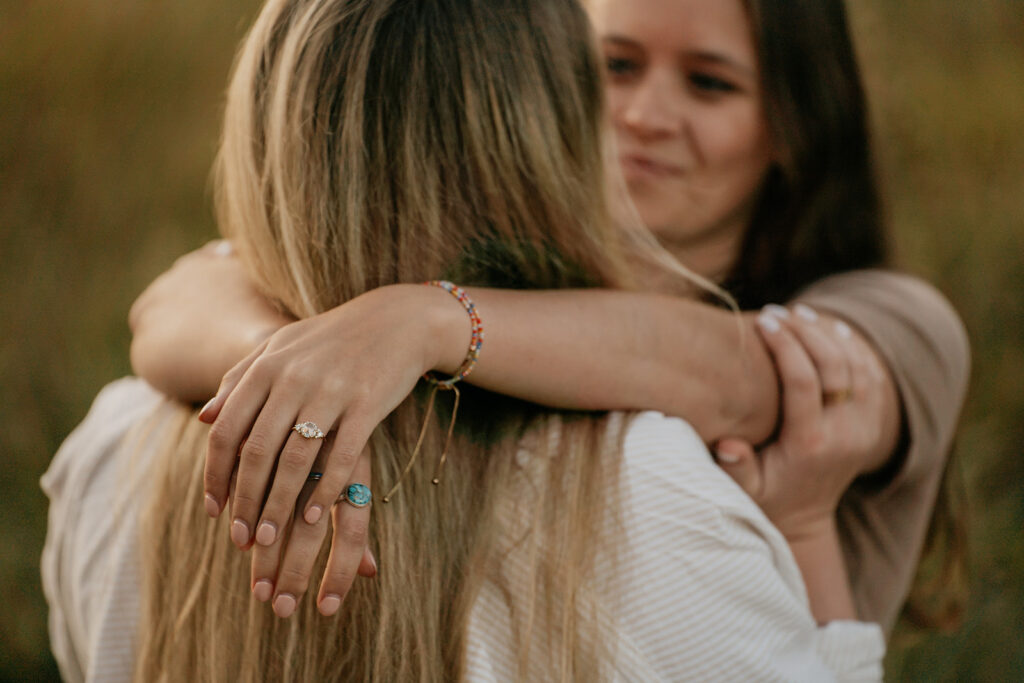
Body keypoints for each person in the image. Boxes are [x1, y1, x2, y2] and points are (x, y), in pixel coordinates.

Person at [42, 0, 885, 680]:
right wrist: (806, 527)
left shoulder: (110, 453)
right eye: (615, 71)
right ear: (555, 140)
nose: (641, 116)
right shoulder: (651, 496)